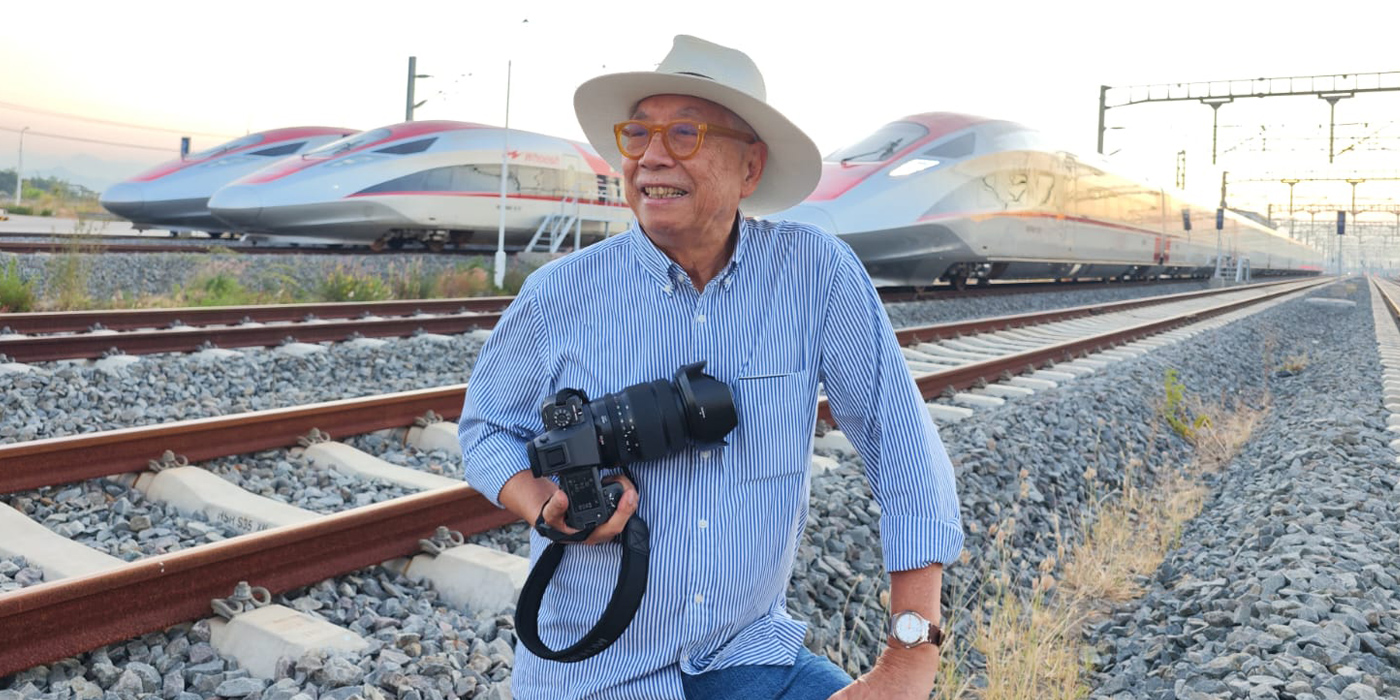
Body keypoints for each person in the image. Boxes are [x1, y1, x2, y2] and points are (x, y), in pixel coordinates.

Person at [459, 35, 963, 700]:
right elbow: (486, 429)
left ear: (749, 167)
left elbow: (901, 446)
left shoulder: (814, 274)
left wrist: (908, 657)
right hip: (592, 673)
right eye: (638, 134)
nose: (651, 156)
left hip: (745, 654)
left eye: (686, 133)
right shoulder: (560, 294)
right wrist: (542, 503)